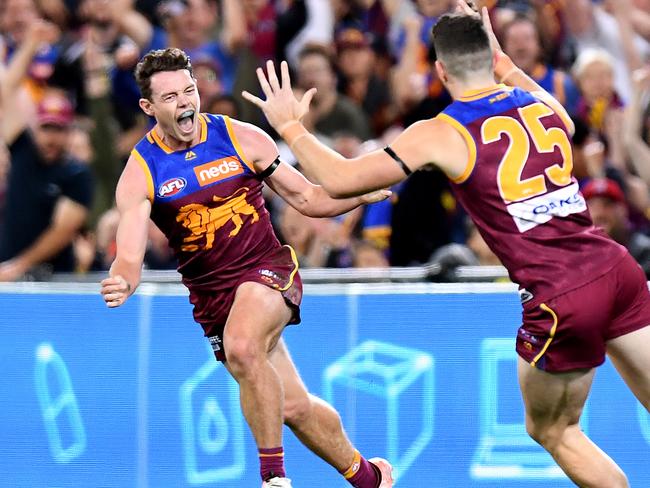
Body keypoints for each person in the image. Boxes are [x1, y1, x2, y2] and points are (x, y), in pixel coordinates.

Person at [243, 2, 650, 486]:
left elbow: (337, 178)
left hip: (561, 294)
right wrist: (504, 63)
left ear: (439, 69)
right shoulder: (542, 106)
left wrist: (290, 127)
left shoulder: (443, 131)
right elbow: (563, 116)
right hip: (617, 269)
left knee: (555, 429)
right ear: (490, 54)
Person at [99, 47, 394, 488]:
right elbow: (130, 249)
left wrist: (361, 192)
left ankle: (273, 477)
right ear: (148, 107)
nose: (185, 103)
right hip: (214, 299)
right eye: (171, 97)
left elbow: (309, 199)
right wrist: (124, 278)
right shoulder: (141, 170)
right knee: (291, 407)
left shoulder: (241, 137)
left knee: (241, 345)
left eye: (189, 90)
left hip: (267, 271)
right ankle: (370, 476)